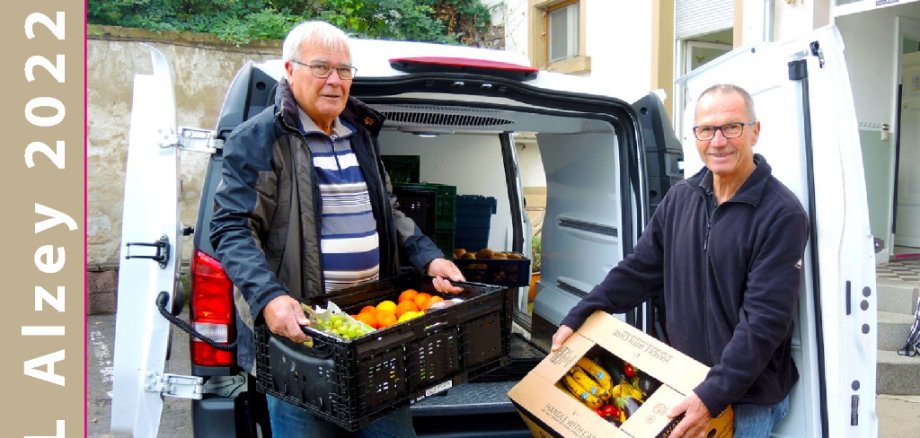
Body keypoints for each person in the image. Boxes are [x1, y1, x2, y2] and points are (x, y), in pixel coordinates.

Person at [210, 20, 465, 437]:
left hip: (371, 335)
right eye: (321, 68)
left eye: (344, 70)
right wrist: (269, 297)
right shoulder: (257, 139)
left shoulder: (359, 135)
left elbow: (391, 211)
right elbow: (231, 229)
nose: (335, 81)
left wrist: (429, 256)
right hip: (302, 346)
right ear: (289, 71)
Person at [550, 84, 809, 438]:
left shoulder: (780, 213)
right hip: (686, 381)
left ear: (755, 131)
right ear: (695, 136)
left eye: (731, 127)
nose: (718, 141)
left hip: (747, 398)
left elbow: (764, 323)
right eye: (706, 130)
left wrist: (712, 396)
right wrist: (582, 312)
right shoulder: (681, 199)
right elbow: (639, 269)